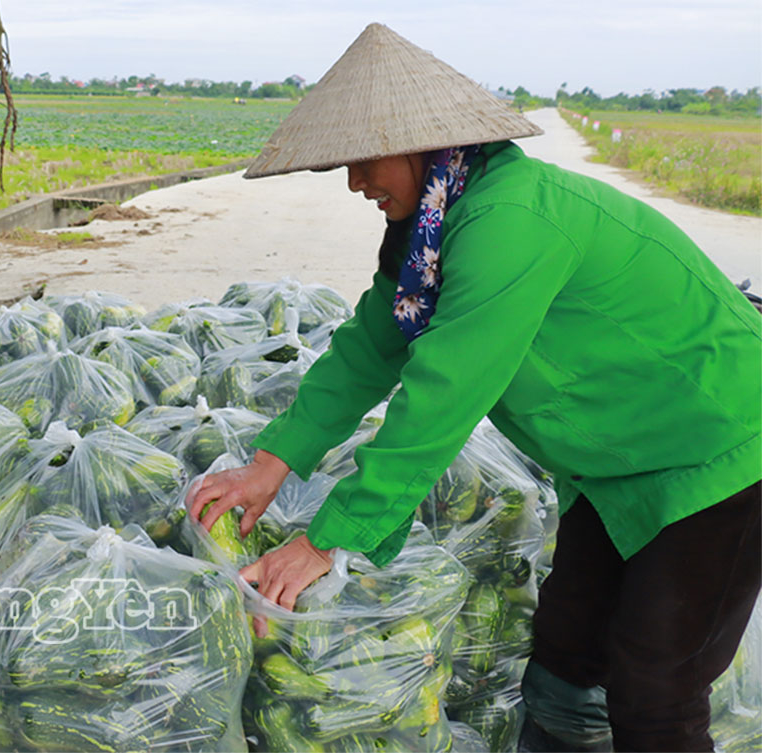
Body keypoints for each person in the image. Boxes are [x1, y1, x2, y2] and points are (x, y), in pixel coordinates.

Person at [185, 22, 761, 753]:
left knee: (655, 682)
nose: (355, 182)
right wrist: (271, 463)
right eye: (343, 167)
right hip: (617, 464)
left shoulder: (508, 221)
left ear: (424, 142)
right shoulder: (430, 228)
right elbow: (370, 346)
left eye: (365, 161)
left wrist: (329, 539)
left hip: (717, 447)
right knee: (566, 647)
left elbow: (444, 391)